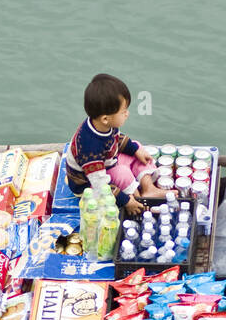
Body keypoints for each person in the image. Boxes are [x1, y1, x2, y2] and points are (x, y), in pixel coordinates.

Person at [63, 73, 162, 216]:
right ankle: (138, 199)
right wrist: (125, 201)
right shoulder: (90, 146)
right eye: (123, 111)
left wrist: (134, 150)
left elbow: (115, 139)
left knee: (136, 147)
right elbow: (99, 185)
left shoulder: (103, 125)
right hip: (88, 183)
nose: (127, 114)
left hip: (106, 162)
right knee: (123, 173)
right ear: (105, 118)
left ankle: (149, 188)